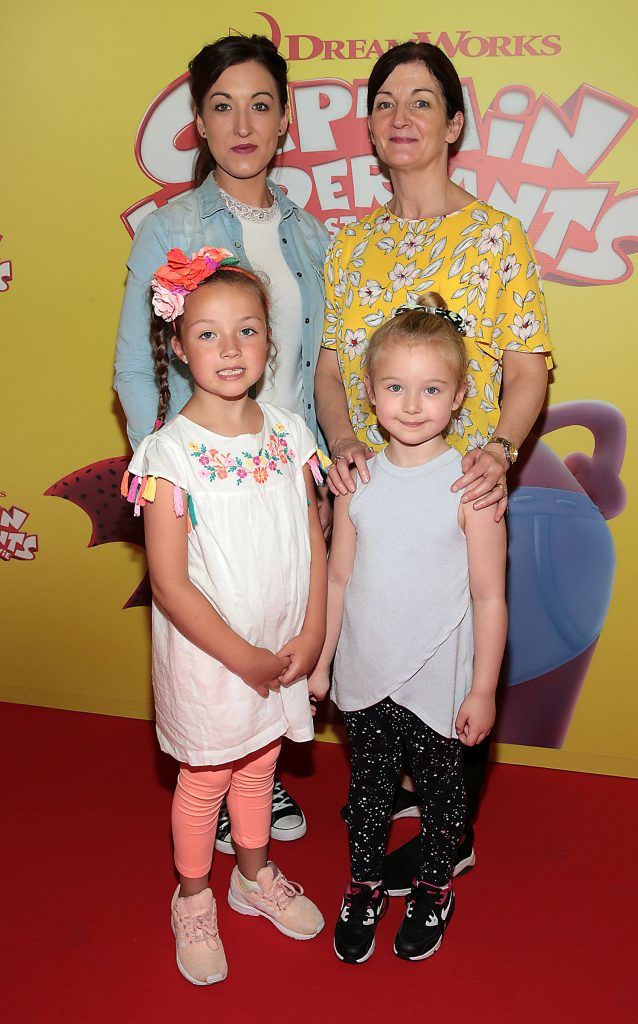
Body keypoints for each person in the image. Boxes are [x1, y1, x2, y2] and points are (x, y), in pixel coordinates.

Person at [313, 41, 552, 886]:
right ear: (370, 128)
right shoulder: (349, 247)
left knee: (457, 653)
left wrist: (498, 448)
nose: (400, 117)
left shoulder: (496, 239)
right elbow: (333, 368)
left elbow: (527, 367)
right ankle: (394, 780)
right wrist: (343, 440)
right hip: (373, 501)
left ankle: (454, 828)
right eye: (385, 102)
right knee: (374, 640)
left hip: (460, 495)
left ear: (453, 124)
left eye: (421, 102)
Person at [115, 34, 330, 844]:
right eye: (221, 105)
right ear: (199, 124)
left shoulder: (313, 236)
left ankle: (262, 775)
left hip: (284, 471)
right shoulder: (169, 226)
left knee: (282, 616)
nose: (242, 122)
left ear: (284, 121)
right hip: (202, 483)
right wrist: (170, 478)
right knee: (217, 633)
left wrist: (321, 471)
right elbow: (137, 368)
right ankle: (221, 808)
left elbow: (322, 370)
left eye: (261, 103)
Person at [123, 247, 327, 985]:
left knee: (261, 765)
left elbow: (311, 538)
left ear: (271, 341)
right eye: (207, 333)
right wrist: (241, 657)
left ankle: (253, 876)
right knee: (206, 779)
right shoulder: (168, 457)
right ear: (177, 347)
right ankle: (193, 895)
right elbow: (172, 584)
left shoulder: (291, 436)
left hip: (283, 651)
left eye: (247, 329)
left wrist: (312, 633)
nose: (230, 348)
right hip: (212, 662)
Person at [308, 294, 507, 963]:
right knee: (366, 795)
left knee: (445, 802)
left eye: (431, 389)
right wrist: (321, 662)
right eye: (396, 387)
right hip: (365, 678)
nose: (413, 405)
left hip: (440, 684)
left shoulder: (472, 485)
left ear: (458, 397)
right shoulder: (355, 480)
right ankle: (363, 885)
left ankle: (430, 889)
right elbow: (337, 580)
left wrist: (482, 690)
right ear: (368, 392)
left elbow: (488, 596)